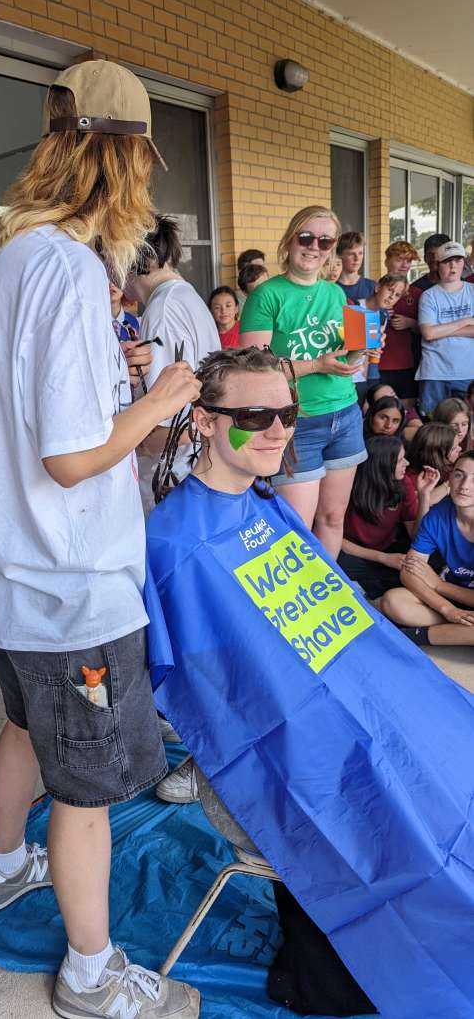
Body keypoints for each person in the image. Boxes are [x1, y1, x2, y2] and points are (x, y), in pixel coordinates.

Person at [0, 60, 201, 1019]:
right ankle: (90, 975)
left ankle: (5, 868)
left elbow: (26, 413)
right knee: (87, 790)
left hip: (13, 579)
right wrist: (163, 396)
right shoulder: (61, 264)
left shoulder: (1, 253)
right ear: (125, 159)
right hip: (69, 582)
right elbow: (68, 457)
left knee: (24, 725)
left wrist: (114, 379)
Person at [144, 347, 474, 1018]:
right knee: (415, 842)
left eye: (287, 413)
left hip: (357, 712)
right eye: (254, 414)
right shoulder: (176, 544)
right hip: (287, 757)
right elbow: (212, 697)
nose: (278, 429)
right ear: (204, 421)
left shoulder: (264, 502)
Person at [240, 205, 364, 559]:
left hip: (345, 412)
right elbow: (254, 369)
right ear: (290, 239)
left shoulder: (336, 294)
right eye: (306, 237)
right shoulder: (267, 295)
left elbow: (345, 353)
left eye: (325, 241)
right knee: (295, 527)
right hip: (298, 421)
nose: (314, 247)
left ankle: (327, 594)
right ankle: (296, 606)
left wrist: (364, 349)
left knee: (332, 517)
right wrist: (316, 365)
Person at [125, 214, 220, 514]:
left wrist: (127, 444)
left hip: (171, 475)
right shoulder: (185, 296)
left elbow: (163, 424)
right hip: (193, 463)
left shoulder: (162, 311)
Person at [379, 451, 474, 647]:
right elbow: (409, 571)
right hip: (450, 600)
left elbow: (434, 582)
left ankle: (413, 637)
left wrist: (440, 586)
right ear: (450, 477)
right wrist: (447, 609)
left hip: (448, 589)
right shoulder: (438, 515)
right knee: (392, 601)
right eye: (459, 475)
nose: (465, 486)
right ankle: (460, 628)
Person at [339, 434, 437, 599]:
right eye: (400, 460)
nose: (406, 463)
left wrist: (424, 495)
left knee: (422, 562)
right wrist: (382, 558)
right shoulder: (350, 486)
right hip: (353, 553)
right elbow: (335, 540)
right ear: (383, 464)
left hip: (387, 551)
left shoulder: (403, 483)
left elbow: (416, 535)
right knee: (339, 563)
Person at [415, 241, 474, 415]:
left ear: (463, 263)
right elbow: (429, 332)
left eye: (457, 260)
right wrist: (466, 321)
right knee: (433, 427)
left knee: (467, 426)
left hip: (467, 372)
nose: (453, 266)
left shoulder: (473, 292)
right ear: (437, 265)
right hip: (435, 373)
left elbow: (434, 331)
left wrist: (442, 329)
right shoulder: (428, 296)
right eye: (447, 261)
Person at [377, 237, 437, 403]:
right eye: (399, 259)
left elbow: (430, 330)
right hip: (377, 363)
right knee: (380, 409)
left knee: (407, 410)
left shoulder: (417, 293)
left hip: (407, 363)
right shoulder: (374, 290)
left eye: (408, 261)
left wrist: (410, 323)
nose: (404, 265)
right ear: (387, 260)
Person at [348, 272, 407, 398]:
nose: (392, 297)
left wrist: (365, 377)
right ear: (378, 287)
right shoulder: (354, 306)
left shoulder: (383, 315)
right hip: (345, 375)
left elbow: (371, 355)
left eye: (397, 295)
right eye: (390, 290)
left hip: (361, 377)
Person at [405, 422, 461, 509]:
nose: (460, 449)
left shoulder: (453, 465)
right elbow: (419, 504)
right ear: (437, 454)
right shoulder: (411, 479)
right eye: (454, 448)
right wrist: (452, 482)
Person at [335, 231, 376, 302]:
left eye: (360, 253)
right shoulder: (330, 287)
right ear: (339, 255)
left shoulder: (372, 287)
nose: (357, 258)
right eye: (351, 254)